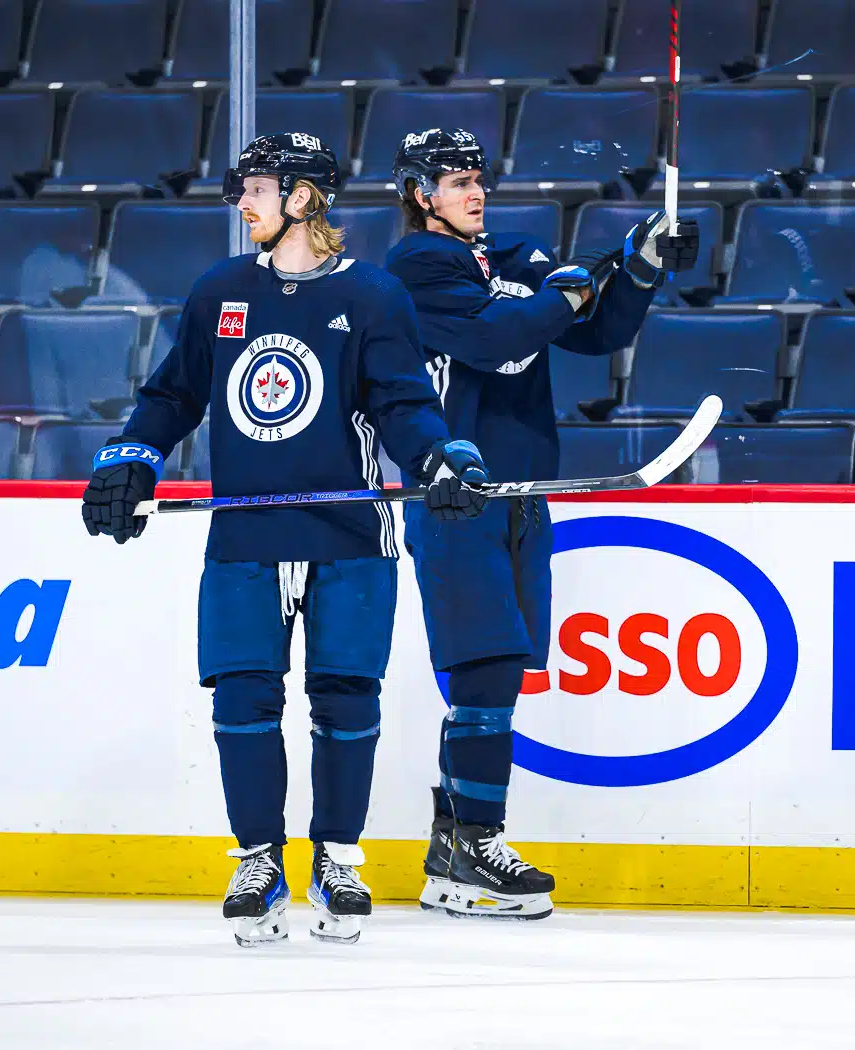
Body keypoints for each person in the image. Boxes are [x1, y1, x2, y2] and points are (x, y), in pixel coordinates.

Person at [81, 132, 490, 946]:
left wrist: (440, 458)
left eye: (258, 188)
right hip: (246, 531)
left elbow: (404, 404)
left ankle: (336, 857)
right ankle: (259, 861)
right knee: (242, 697)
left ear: (303, 198)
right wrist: (131, 456)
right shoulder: (221, 291)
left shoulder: (373, 295)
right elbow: (173, 395)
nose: (244, 202)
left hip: (349, 532)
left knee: (346, 697)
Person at [384, 128, 701, 920]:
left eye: (478, 178)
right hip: (456, 497)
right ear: (420, 194)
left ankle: (453, 850)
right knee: (485, 671)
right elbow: (496, 338)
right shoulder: (415, 269)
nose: (476, 192)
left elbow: (596, 332)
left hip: (525, 495)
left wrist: (639, 267)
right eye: (457, 181)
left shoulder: (515, 254)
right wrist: (565, 290)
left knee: (500, 674)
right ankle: (474, 846)